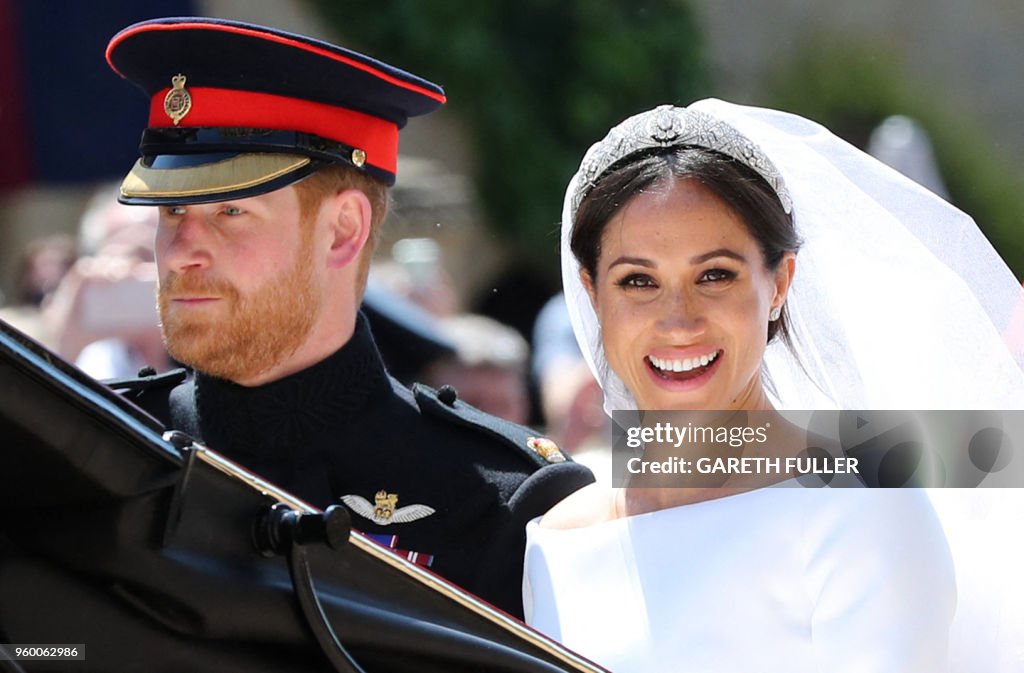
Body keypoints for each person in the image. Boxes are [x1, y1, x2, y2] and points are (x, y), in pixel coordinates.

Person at [102, 16, 593, 619]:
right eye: (171, 209)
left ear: (343, 231)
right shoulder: (91, 440)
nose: (180, 251)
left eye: (229, 212)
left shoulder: (502, 502)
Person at [522, 100, 1024, 672]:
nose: (678, 320)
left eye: (715, 275)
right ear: (591, 291)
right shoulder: (557, 540)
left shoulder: (862, 515)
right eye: (638, 281)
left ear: (781, 281)